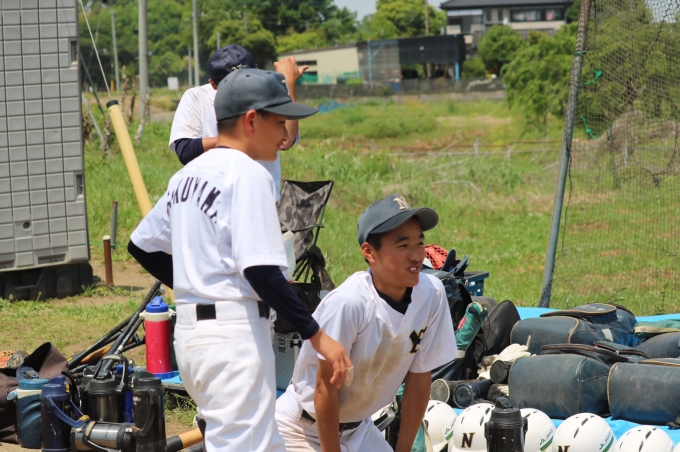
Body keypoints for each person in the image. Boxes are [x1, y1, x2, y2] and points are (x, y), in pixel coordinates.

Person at [128, 68, 351, 452]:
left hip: (193, 340)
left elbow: (141, 246)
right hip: (233, 340)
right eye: (278, 122)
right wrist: (316, 335)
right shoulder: (248, 173)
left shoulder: (188, 175)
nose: (284, 135)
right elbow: (260, 270)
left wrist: (194, 286)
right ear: (251, 121)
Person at [275, 194, 458, 452]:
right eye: (403, 245)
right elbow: (324, 389)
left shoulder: (432, 293)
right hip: (302, 430)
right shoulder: (349, 304)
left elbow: (419, 378)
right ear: (369, 252)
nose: (416, 255)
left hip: (360, 430)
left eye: (419, 243)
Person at [169, 44, 307, 200]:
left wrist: (288, 83)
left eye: (248, 79)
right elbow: (185, 151)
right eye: (234, 83)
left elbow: (286, 140)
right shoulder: (197, 97)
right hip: (216, 198)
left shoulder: (266, 92)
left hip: (260, 195)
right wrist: (238, 140)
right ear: (213, 84)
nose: (244, 88)